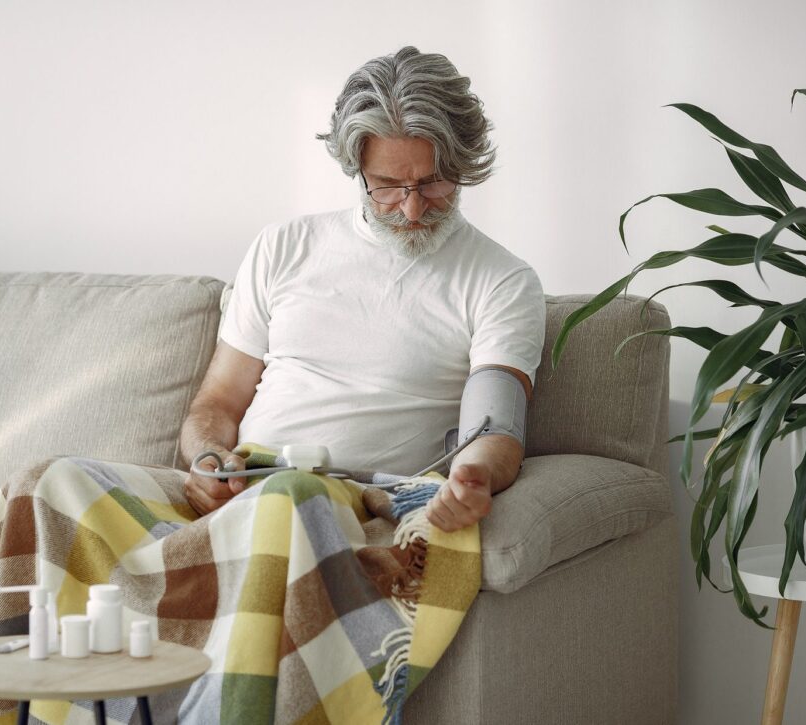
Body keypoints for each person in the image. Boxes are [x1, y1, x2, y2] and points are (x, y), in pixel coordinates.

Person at [180, 46, 546, 532]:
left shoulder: (501, 280)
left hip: (355, 499)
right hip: (245, 484)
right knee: (54, 483)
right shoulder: (283, 246)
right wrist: (207, 458)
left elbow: (494, 430)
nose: (412, 210)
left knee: (290, 504)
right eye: (388, 185)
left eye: (434, 184)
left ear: (464, 164)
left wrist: (471, 478)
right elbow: (218, 404)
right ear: (357, 169)